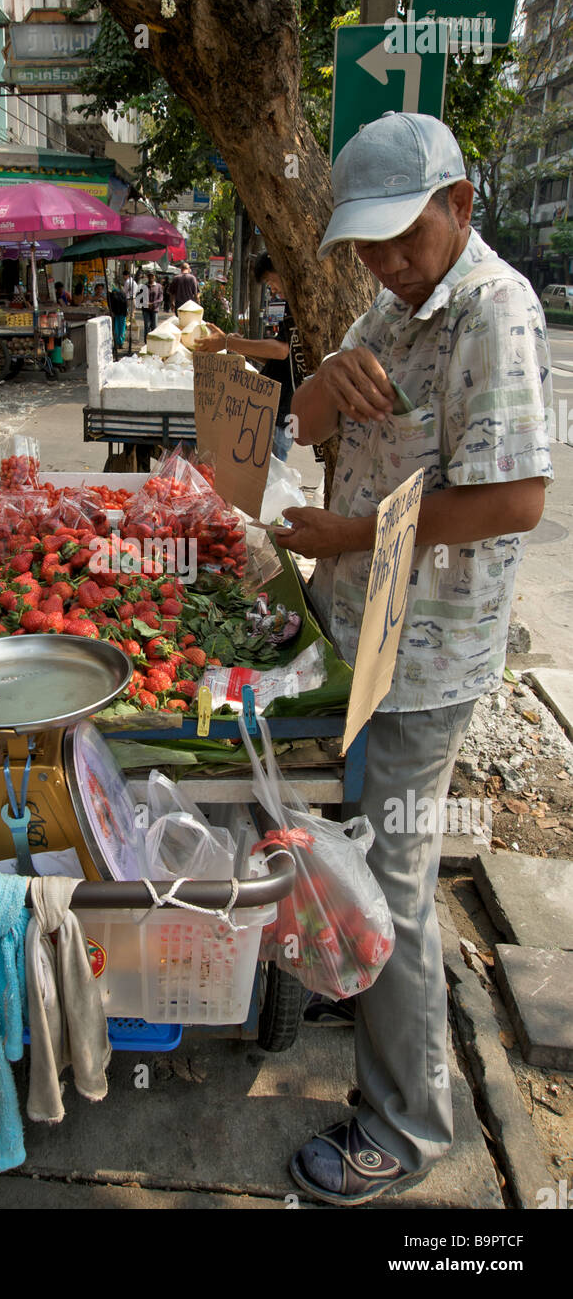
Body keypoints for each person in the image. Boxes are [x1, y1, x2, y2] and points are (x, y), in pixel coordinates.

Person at [274, 112, 552, 1206]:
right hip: (362, 631)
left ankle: (404, 1123)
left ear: (459, 205)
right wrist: (327, 379)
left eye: (404, 236)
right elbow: (306, 426)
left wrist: (355, 537)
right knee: (349, 844)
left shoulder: (495, 311)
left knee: (391, 871)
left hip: (424, 653)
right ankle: (367, 993)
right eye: (369, 243)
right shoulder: (392, 306)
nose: (387, 260)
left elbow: (515, 499)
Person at [198, 252, 306, 460]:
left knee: (270, 474)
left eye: (270, 281)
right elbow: (279, 358)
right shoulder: (291, 305)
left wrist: (227, 342)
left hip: (283, 412)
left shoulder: (297, 305)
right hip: (278, 410)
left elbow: (281, 350)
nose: (272, 289)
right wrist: (237, 346)